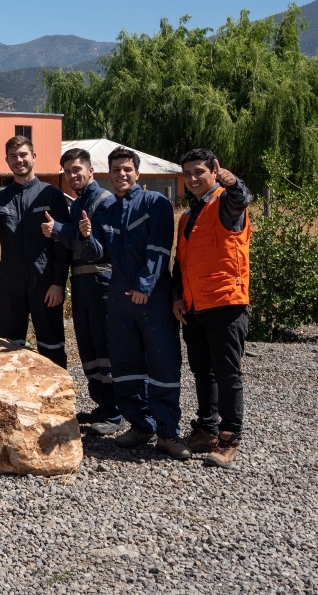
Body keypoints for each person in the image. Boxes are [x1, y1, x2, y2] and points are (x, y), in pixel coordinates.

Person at [72, 147, 191, 460]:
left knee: (162, 364)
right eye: (116, 171)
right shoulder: (108, 211)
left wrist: (144, 285)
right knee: (125, 364)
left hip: (151, 297)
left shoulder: (156, 203)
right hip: (119, 297)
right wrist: (86, 236)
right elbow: (98, 252)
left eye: (127, 169)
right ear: (108, 175)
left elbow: (159, 249)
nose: (121, 175)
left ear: (137, 172)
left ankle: (168, 432)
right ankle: (140, 425)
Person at [172, 149, 251, 469]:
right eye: (187, 173)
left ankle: (229, 438)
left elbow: (240, 199)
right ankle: (206, 429)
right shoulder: (188, 216)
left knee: (227, 373)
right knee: (202, 371)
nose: (192, 179)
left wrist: (234, 183)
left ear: (214, 170)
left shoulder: (225, 203)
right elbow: (181, 263)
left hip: (225, 302)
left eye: (199, 172)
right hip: (194, 306)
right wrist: (177, 296)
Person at [42, 147, 121, 436]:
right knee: (88, 348)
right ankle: (101, 404)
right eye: (68, 171)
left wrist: (61, 231)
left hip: (101, 284)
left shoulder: (103, 201)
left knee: (105, 347)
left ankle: (115, 413)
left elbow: (97, 248)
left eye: (78, 169)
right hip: (82, 285)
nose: (73, 175)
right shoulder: (77, 204)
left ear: (91, 170)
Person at [0, 135, 72, 368]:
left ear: (33, 157)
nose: (18, 160)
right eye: (13, 156)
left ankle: (56, 400)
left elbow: (63, 245)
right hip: (10, 284)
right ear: (7, 160)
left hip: (44, 284)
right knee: (8, 349)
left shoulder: (51, 195)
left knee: (51, 347)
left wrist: (58, 283)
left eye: (23, 155)